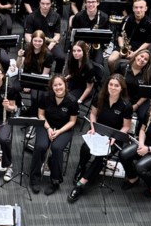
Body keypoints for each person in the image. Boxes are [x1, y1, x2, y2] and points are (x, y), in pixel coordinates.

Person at [68, 74, 132, 203]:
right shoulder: (99, 97)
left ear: (121, 88)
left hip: (113, 137)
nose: (112, 88)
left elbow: (126, 127)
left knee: (100, 157)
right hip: (98, 131)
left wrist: (115, 136)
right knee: (85, 148)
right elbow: (93, 114)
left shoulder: (126, 105)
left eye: (116, 86)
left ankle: (81, 183)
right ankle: (81, 166)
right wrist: (92, 127)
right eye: (111, 84)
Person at [30, 74, 78, 195]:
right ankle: (34, 178)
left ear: (65, 85)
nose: (58, 87)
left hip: (64, 128)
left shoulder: (72, 101)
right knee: (41, 146)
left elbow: (72, 121)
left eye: (60, 84)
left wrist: (59, 131)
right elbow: (41, 115)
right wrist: (48, 128)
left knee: (56, 148)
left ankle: (55, 181)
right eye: (55, 85)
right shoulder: (45, 96)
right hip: (46, 125)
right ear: (52, 87)